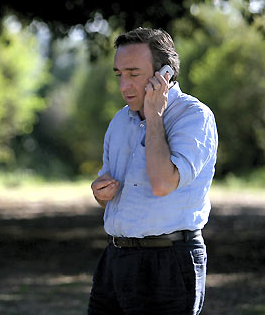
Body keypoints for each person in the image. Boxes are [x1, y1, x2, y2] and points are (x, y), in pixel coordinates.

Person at [88, 27, 218, 314]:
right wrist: (101, 192)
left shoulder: (194, 117)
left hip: (169, 264)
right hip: (115, 260)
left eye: (133, 74)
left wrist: (155, 115)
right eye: (119, 74)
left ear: (165, 75)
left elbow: (162, 183)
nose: (124, 86)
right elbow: (106, 197)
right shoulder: (119, 122)